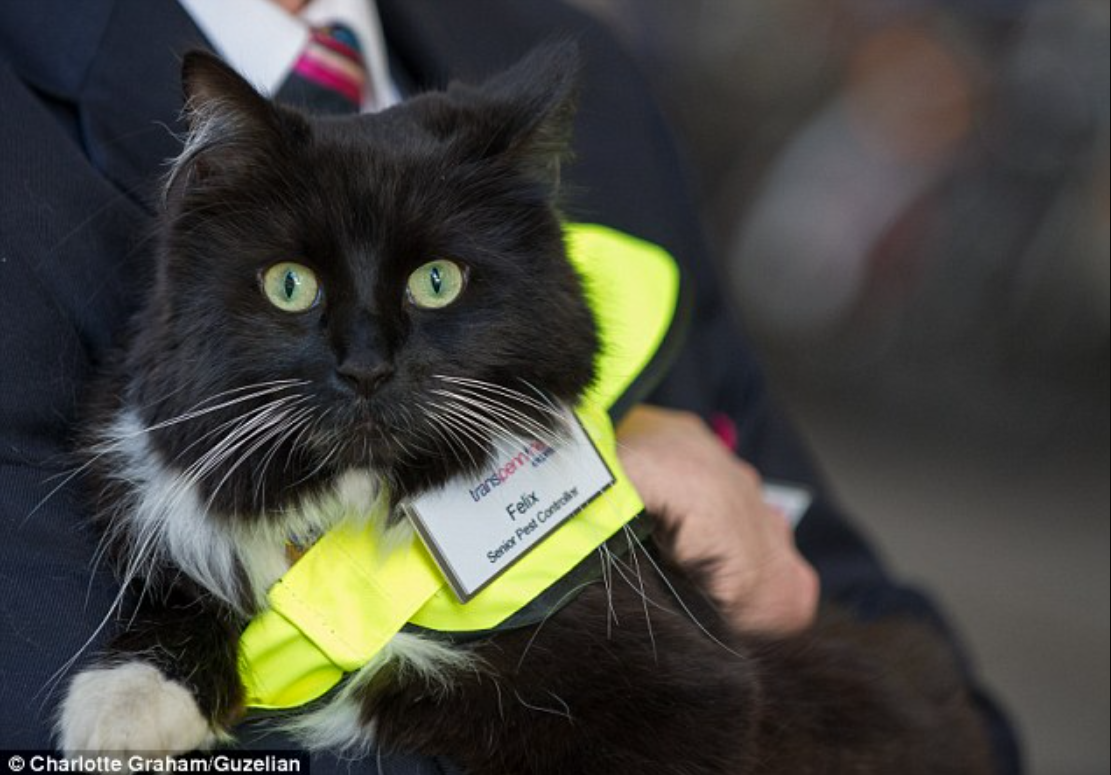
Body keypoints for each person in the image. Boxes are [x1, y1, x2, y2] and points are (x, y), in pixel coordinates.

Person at [0, 1, 1020, 772]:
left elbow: (884, 628)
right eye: (295, 287)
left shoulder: (586, 74)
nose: (365, 363)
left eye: (436, 283)